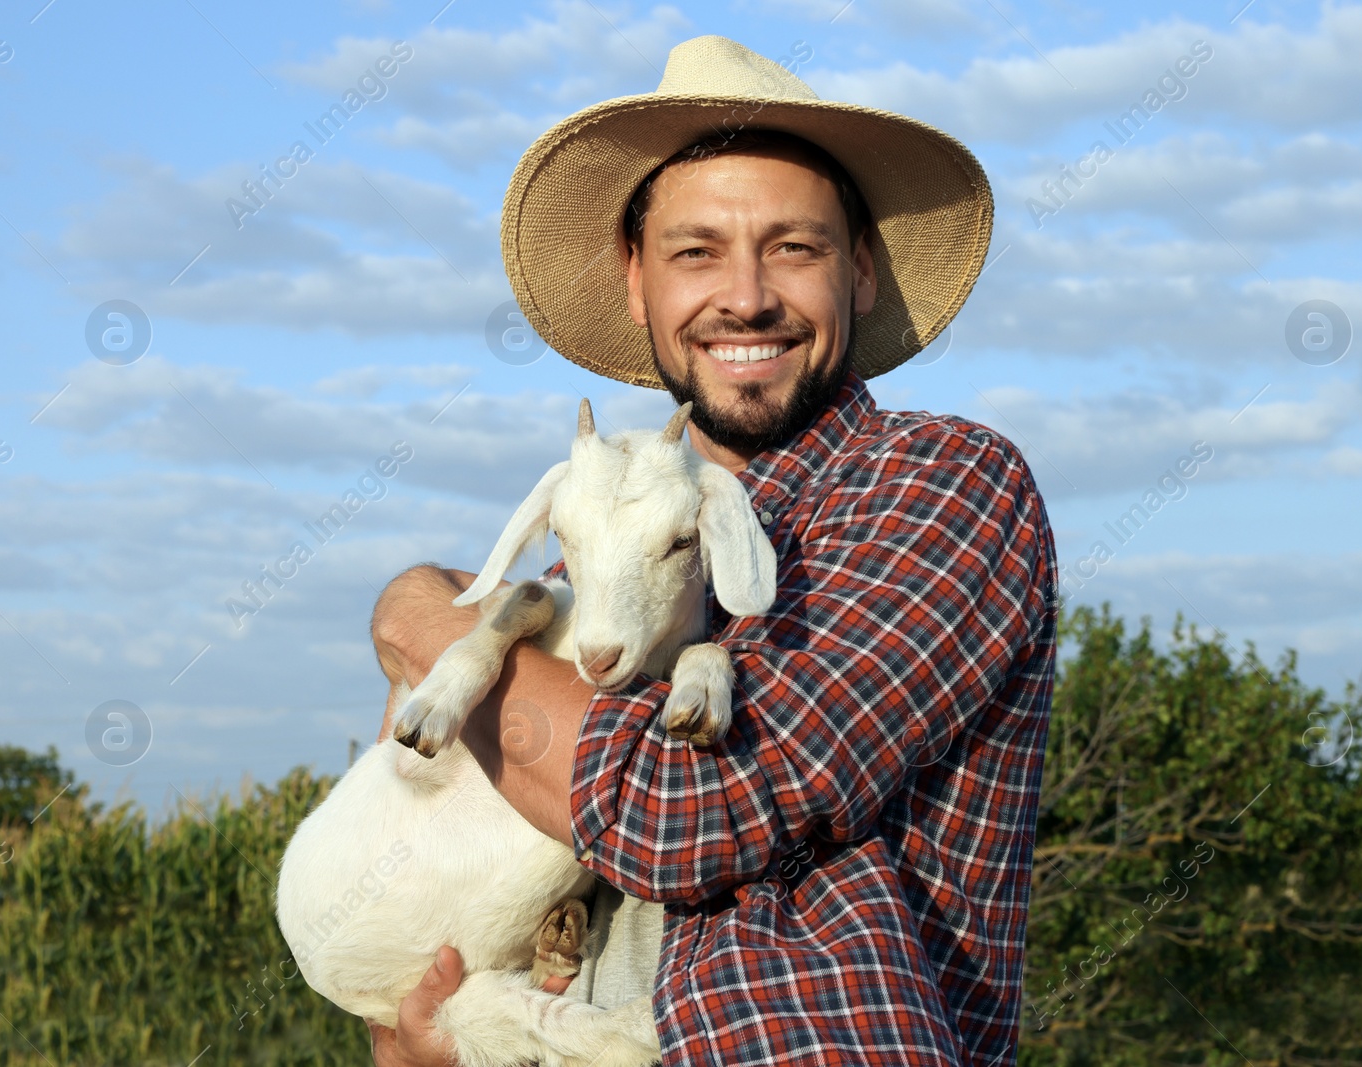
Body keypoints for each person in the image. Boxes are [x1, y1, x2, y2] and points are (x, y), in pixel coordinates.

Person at [366, 35, 1057, 1067]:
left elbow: (685, 811)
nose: (744, 295)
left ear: (859, 272)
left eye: (793, 246)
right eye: (696, 251)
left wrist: (425, 619)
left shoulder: (943, 483)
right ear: (635, 280)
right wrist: (420, 1039)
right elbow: (444, 915)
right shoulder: (580, 583)